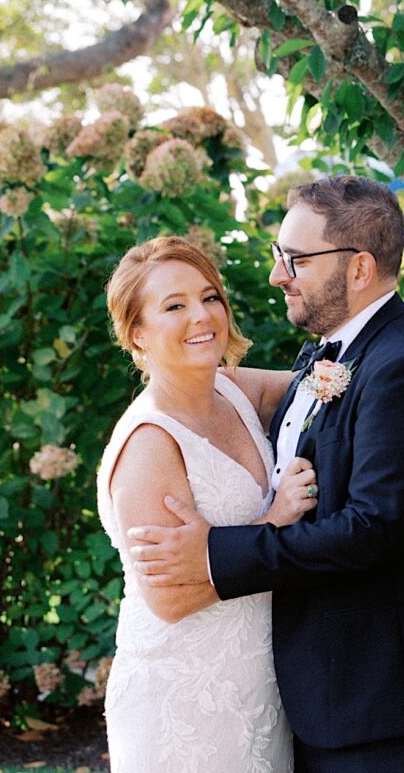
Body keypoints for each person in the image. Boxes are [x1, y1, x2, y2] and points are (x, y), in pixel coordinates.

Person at [128, 175, 404, 773]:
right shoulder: (340, 351)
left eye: (294, 259)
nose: (278, 275)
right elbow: (210, 383)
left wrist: (217, 554)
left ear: (359, 270)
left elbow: (373, 529)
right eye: (279, 257)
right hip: (337, 695)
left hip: (390, 698)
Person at [97, 236, 320, 772]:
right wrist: (275, 519)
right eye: (174, 306)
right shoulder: (149, 442)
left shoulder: (233, 391)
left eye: (210, 297)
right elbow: (168, 600)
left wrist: (389, 343)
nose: (202, 316)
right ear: (137, 333)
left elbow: (330, 386)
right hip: (181, 696)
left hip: (254, 683)